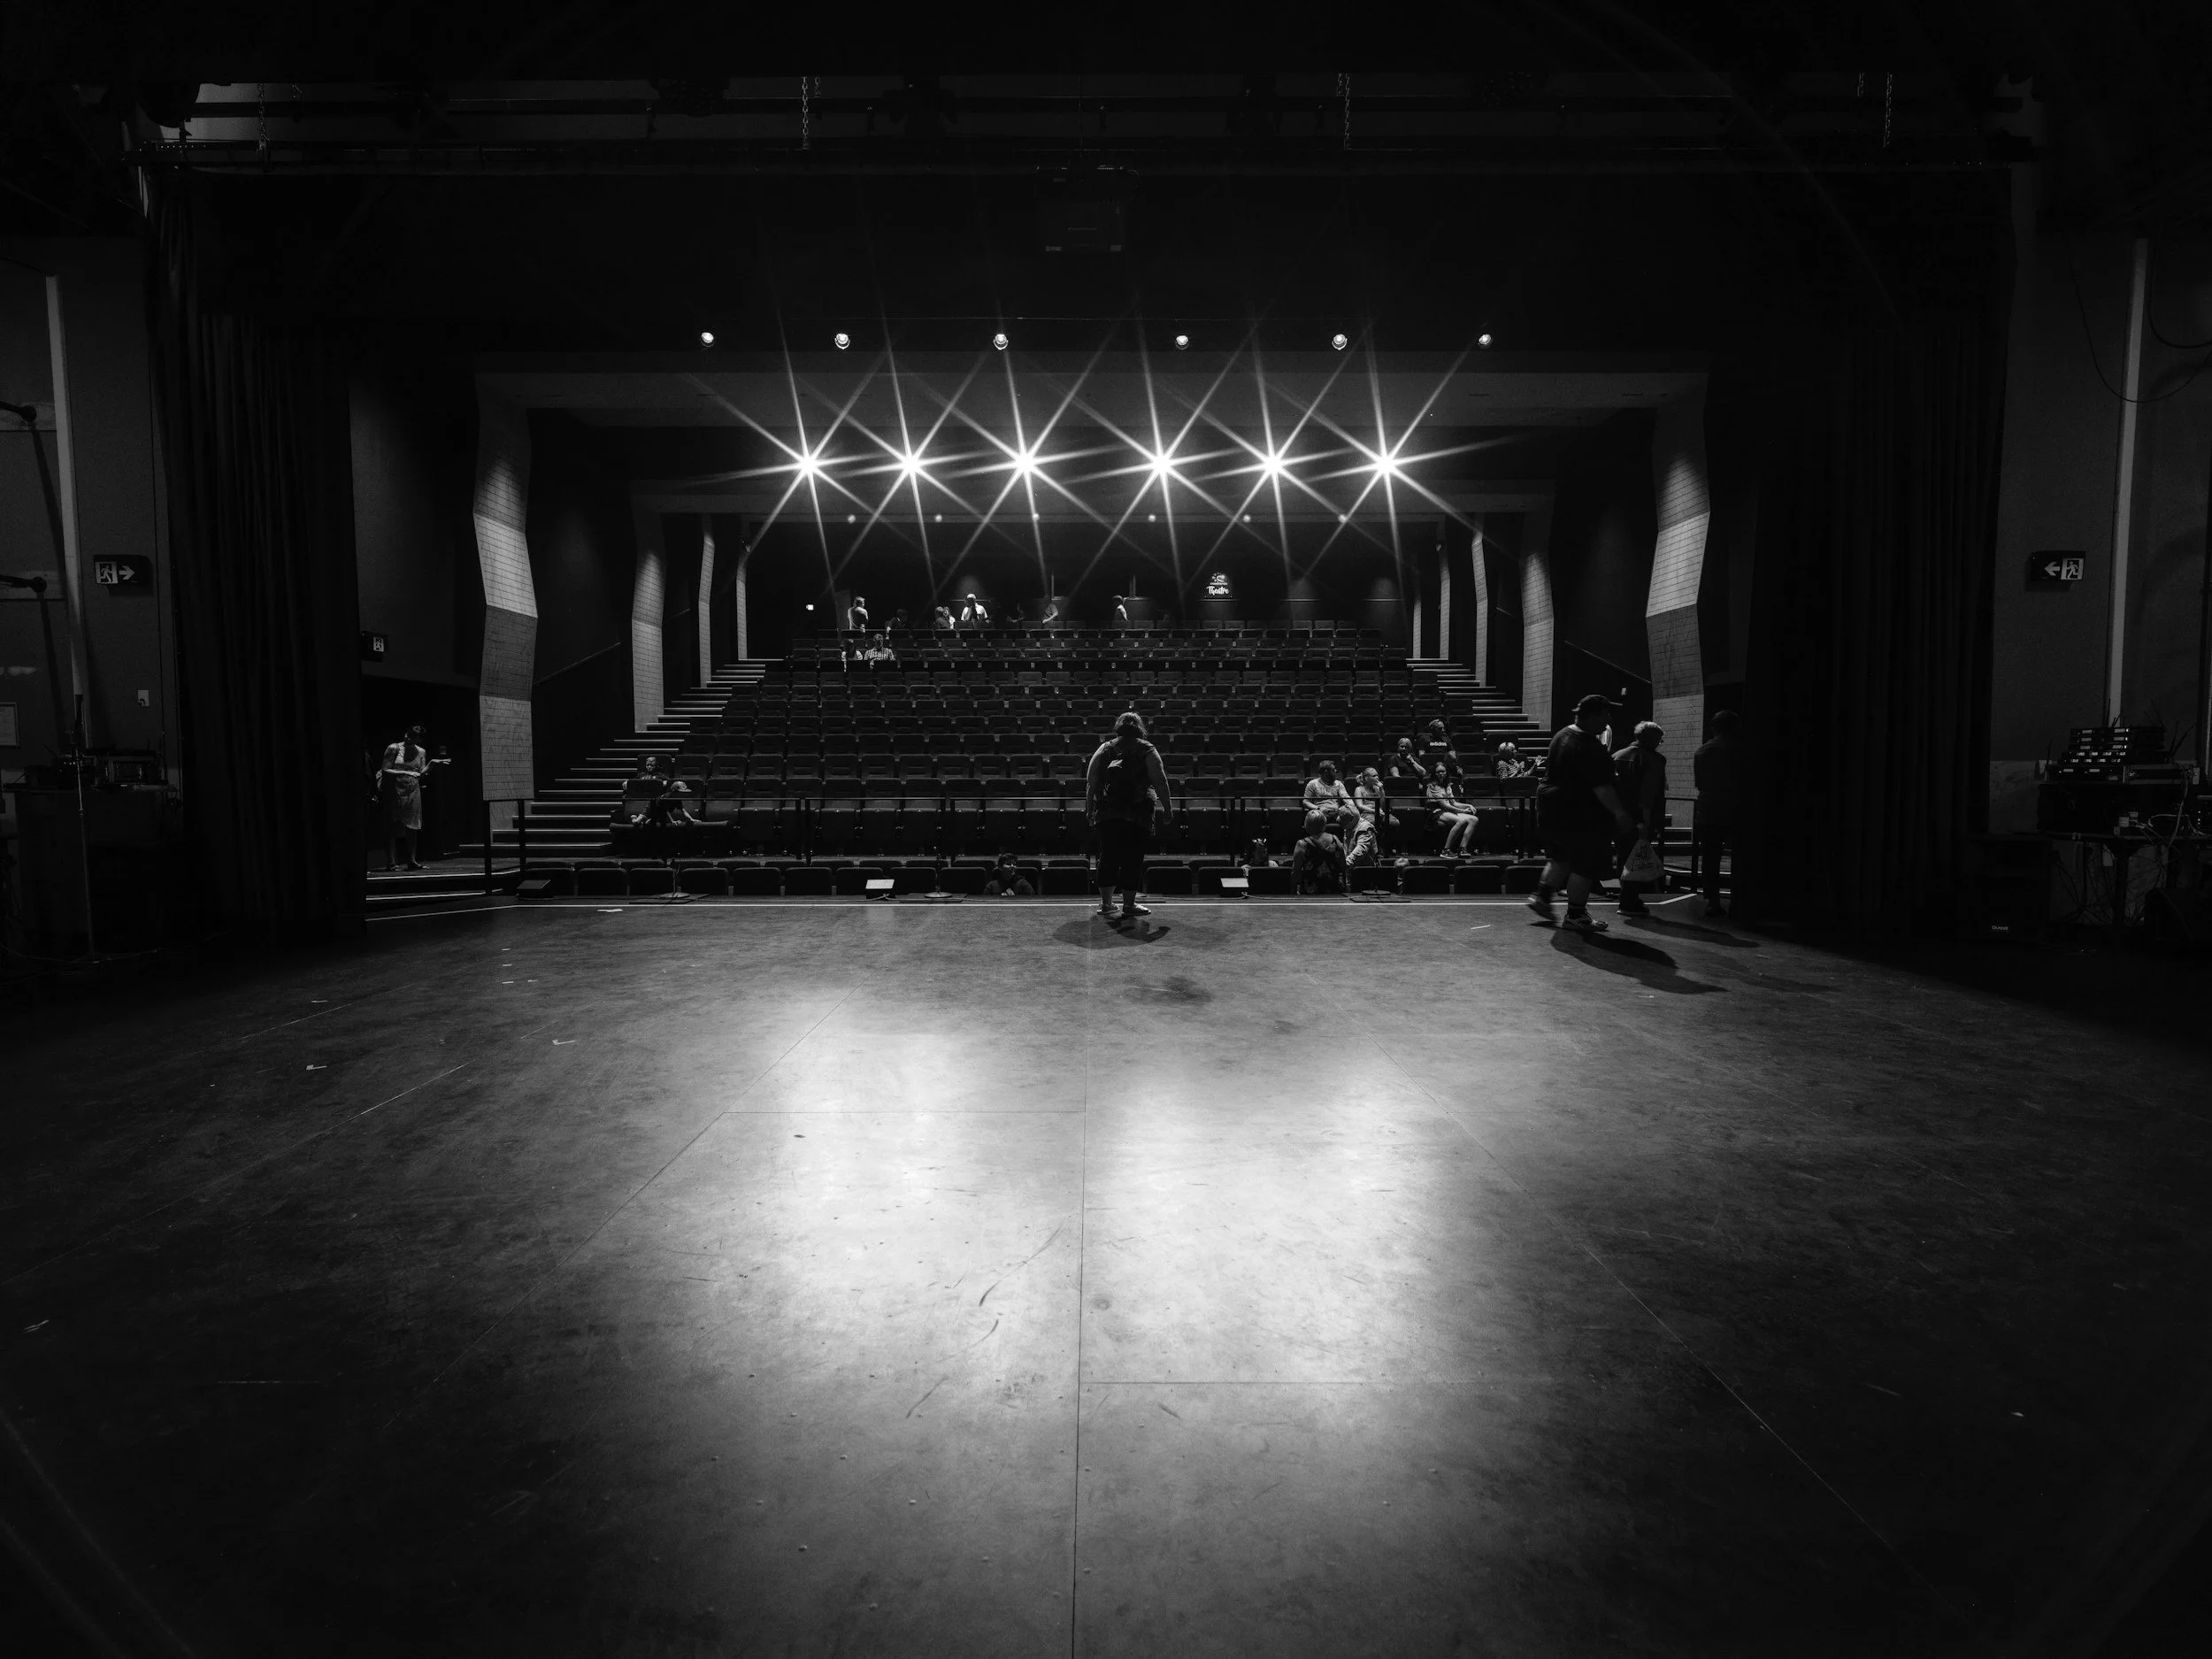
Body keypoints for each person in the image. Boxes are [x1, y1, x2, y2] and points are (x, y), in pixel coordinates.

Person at [1527, 693, 1634, 933]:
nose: (1607, 721)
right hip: (1576, 810)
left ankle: (1542, 897)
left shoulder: (1562, 734)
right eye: (1605, 715)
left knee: (1561, 856)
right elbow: (1602, 786)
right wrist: (1619, 813)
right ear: (1592, 715)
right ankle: (1576, 915)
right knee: (1584, 863)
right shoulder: (1588, 745)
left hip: (1551, 806)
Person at [1086, 710, 1172, 923]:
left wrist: (1089, 809)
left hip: (1107, 813)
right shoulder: (1147, 750)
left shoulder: (1104, 748)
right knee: (1133, 859)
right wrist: (1168, 809)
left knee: (1107, 857)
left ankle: (1106, 905)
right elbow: (1160, 781)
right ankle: (1129, 904)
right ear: (1140, 728)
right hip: (1138, 813)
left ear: (1119, 727)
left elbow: (1092, 781)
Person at [1611, 721, 1669, 916]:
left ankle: (1626, 896)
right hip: (1640, 818)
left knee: (1623, 857)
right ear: (1653, 740)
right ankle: (1629, 901)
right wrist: (1647, 823)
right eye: (1659, 740)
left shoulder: (1617, 756)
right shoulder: (1654, 760)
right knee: (1636, 857)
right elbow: (1648, 795)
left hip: (1618, 816)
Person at [1692, 709, 1741, 918]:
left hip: (1708, 808)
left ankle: (1713, 901)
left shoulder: (1702, 751)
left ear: (1714, 728)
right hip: (1735, 807)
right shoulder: (1739, 750)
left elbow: (1699, 783)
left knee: (1710, 858)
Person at [377, 725, 434, 870]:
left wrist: (432, 764)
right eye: (407, 734)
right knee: (392, 825)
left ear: (419, 739)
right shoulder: (394, 748)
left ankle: (412, 860)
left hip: (412, 790)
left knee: (412, 826)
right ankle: (391, 862)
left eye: (412, 736)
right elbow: (385, 769)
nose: (407, 737)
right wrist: (406, 773)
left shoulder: (421, 751)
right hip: (394, 790)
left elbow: (420, 773)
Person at [623, 753, 701, 828]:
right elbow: (665, 810)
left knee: (648, 825)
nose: (649, 767)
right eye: (648, 765)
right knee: (637, 823)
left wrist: (692, 819)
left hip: (658, 810)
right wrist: (628, 782)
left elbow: (683, 811)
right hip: (651, 807)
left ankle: (646, 820)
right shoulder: (641, 775)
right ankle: (633, 817)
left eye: (652, 765)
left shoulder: (660, 776)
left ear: (656, 766)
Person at [1424, 771, 1483, 856]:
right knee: (1460, 821)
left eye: (1443, 771)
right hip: (1435, 812)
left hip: (1447, 811)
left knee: (1474, 819)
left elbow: (1454, 803)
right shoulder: (1433, 787)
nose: (1441, 774)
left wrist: (1469, 805)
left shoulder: (1447, 786)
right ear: (1434, 774)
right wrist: (1463, 811)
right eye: (1438, 772)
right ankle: (1446, 851)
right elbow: (1445, 806)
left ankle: (1462, 849)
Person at [1292, 810, 1350, 895]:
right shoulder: (1335, 840)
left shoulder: (1302, 844)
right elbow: (1343, 866)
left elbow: (1296, 871)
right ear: (1324, 824)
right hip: (1333, 890)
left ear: (1307, 825)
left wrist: (1293, 891)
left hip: (1310, 892)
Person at [1302, 758, 1356, 836]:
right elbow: (1305, 801)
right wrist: (1317, 808)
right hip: (1321, 812)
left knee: (1352, 818)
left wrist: (1352, 807)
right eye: (1333, 770)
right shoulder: (1313, 784)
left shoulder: (1338, 784)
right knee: (1316, 819)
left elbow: (1345, 797)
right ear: (1326, 772)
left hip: (1336, 813)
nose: (1336, 771)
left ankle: (1348, 843)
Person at [1349, 766, 1389, 864]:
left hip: (1379, 812)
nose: (1377, 777)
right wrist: (1374, 811)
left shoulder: (1378, 788)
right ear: (1367, 778)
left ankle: (1384, 846)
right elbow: (1360, 805)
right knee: (1372, 822)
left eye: (1377, 775)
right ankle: (1373, 849)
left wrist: (1382, 790)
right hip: (1367, 813)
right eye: (1374, 775)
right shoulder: (1359, 789)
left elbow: (1383, 805)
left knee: (1394, 822)